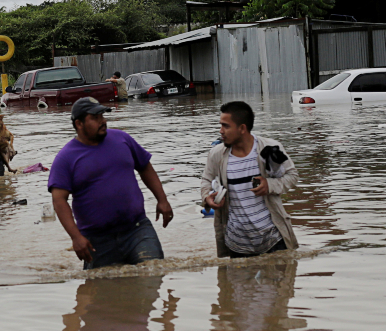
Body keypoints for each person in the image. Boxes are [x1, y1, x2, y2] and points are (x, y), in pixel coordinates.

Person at [48, 97, 173, 270]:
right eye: (95, 117)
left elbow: (145, 168)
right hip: (96, 240)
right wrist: (76, 237)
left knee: (153, 273)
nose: (103, 121)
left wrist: (162, 200)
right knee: (102, 292)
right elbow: (59, 200)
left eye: (103, 116)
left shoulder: (122, 139)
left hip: (137, 229)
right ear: (79, 124)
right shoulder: (66, 158)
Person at [201, 101, 298, 257]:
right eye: (221, 125)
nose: (221, 131)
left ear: (242, 129)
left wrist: (270, 184)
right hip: (236, 245)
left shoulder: (269, 149)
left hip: (274, 240)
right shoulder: (217, 154)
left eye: (226, 126)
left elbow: (292, 176)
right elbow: (206, 180)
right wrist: (207, 197)